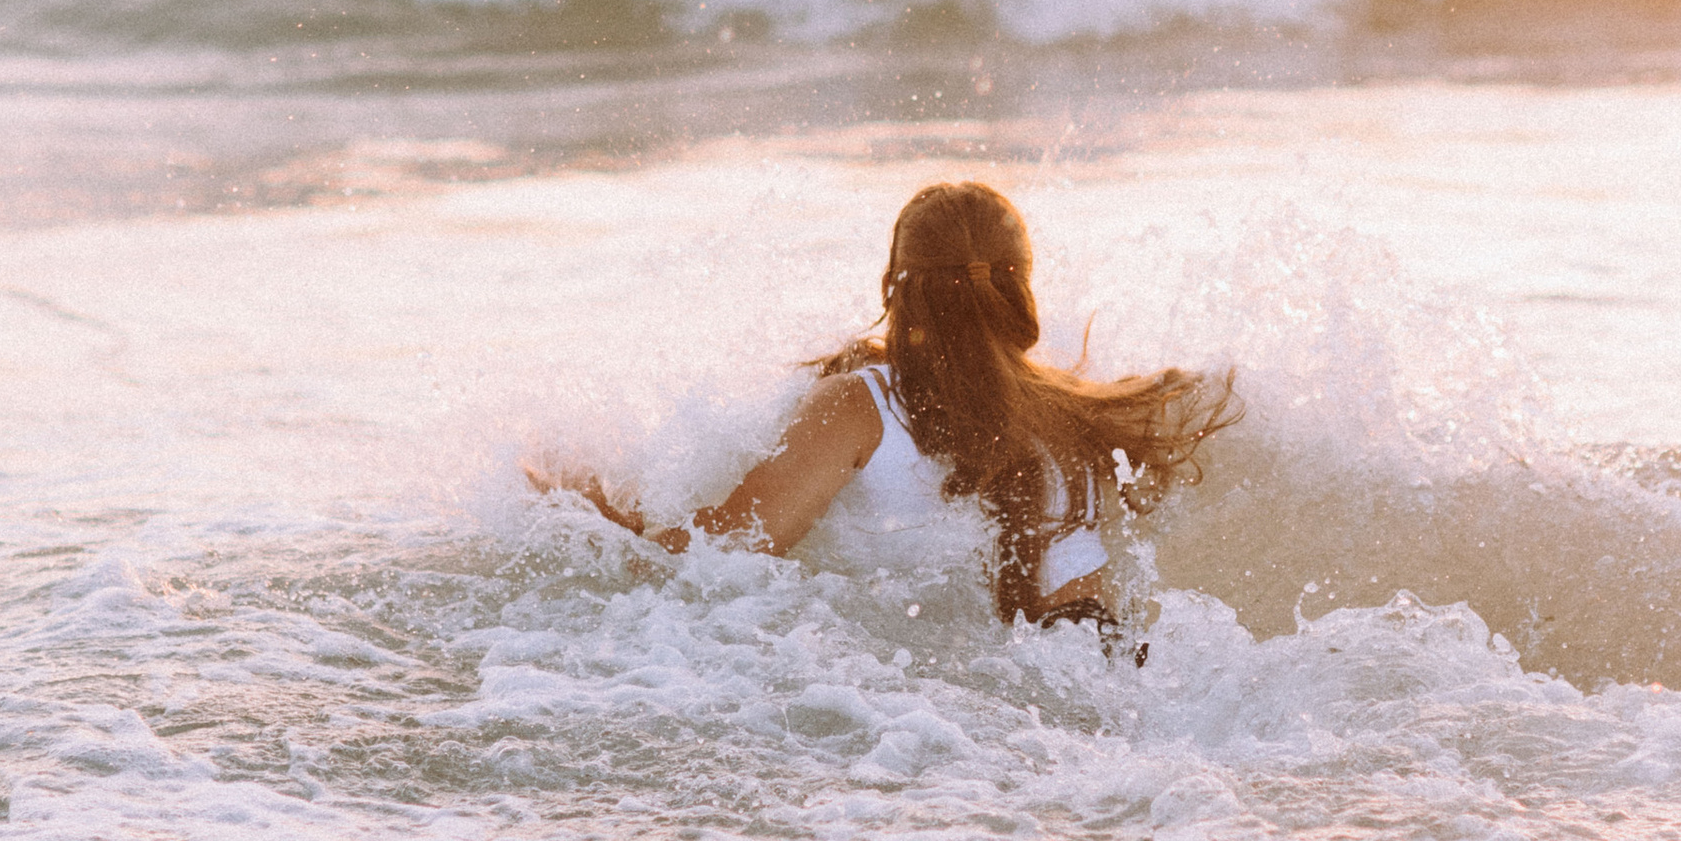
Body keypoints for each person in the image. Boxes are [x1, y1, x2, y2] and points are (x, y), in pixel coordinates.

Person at [529, 179, 1235, 643]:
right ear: (1019, 293)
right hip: (1086, 677)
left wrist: (590, 507)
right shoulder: (1079, 414)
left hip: (913, 704)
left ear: (895, 286)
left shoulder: (860, 406)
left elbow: (716, 555)